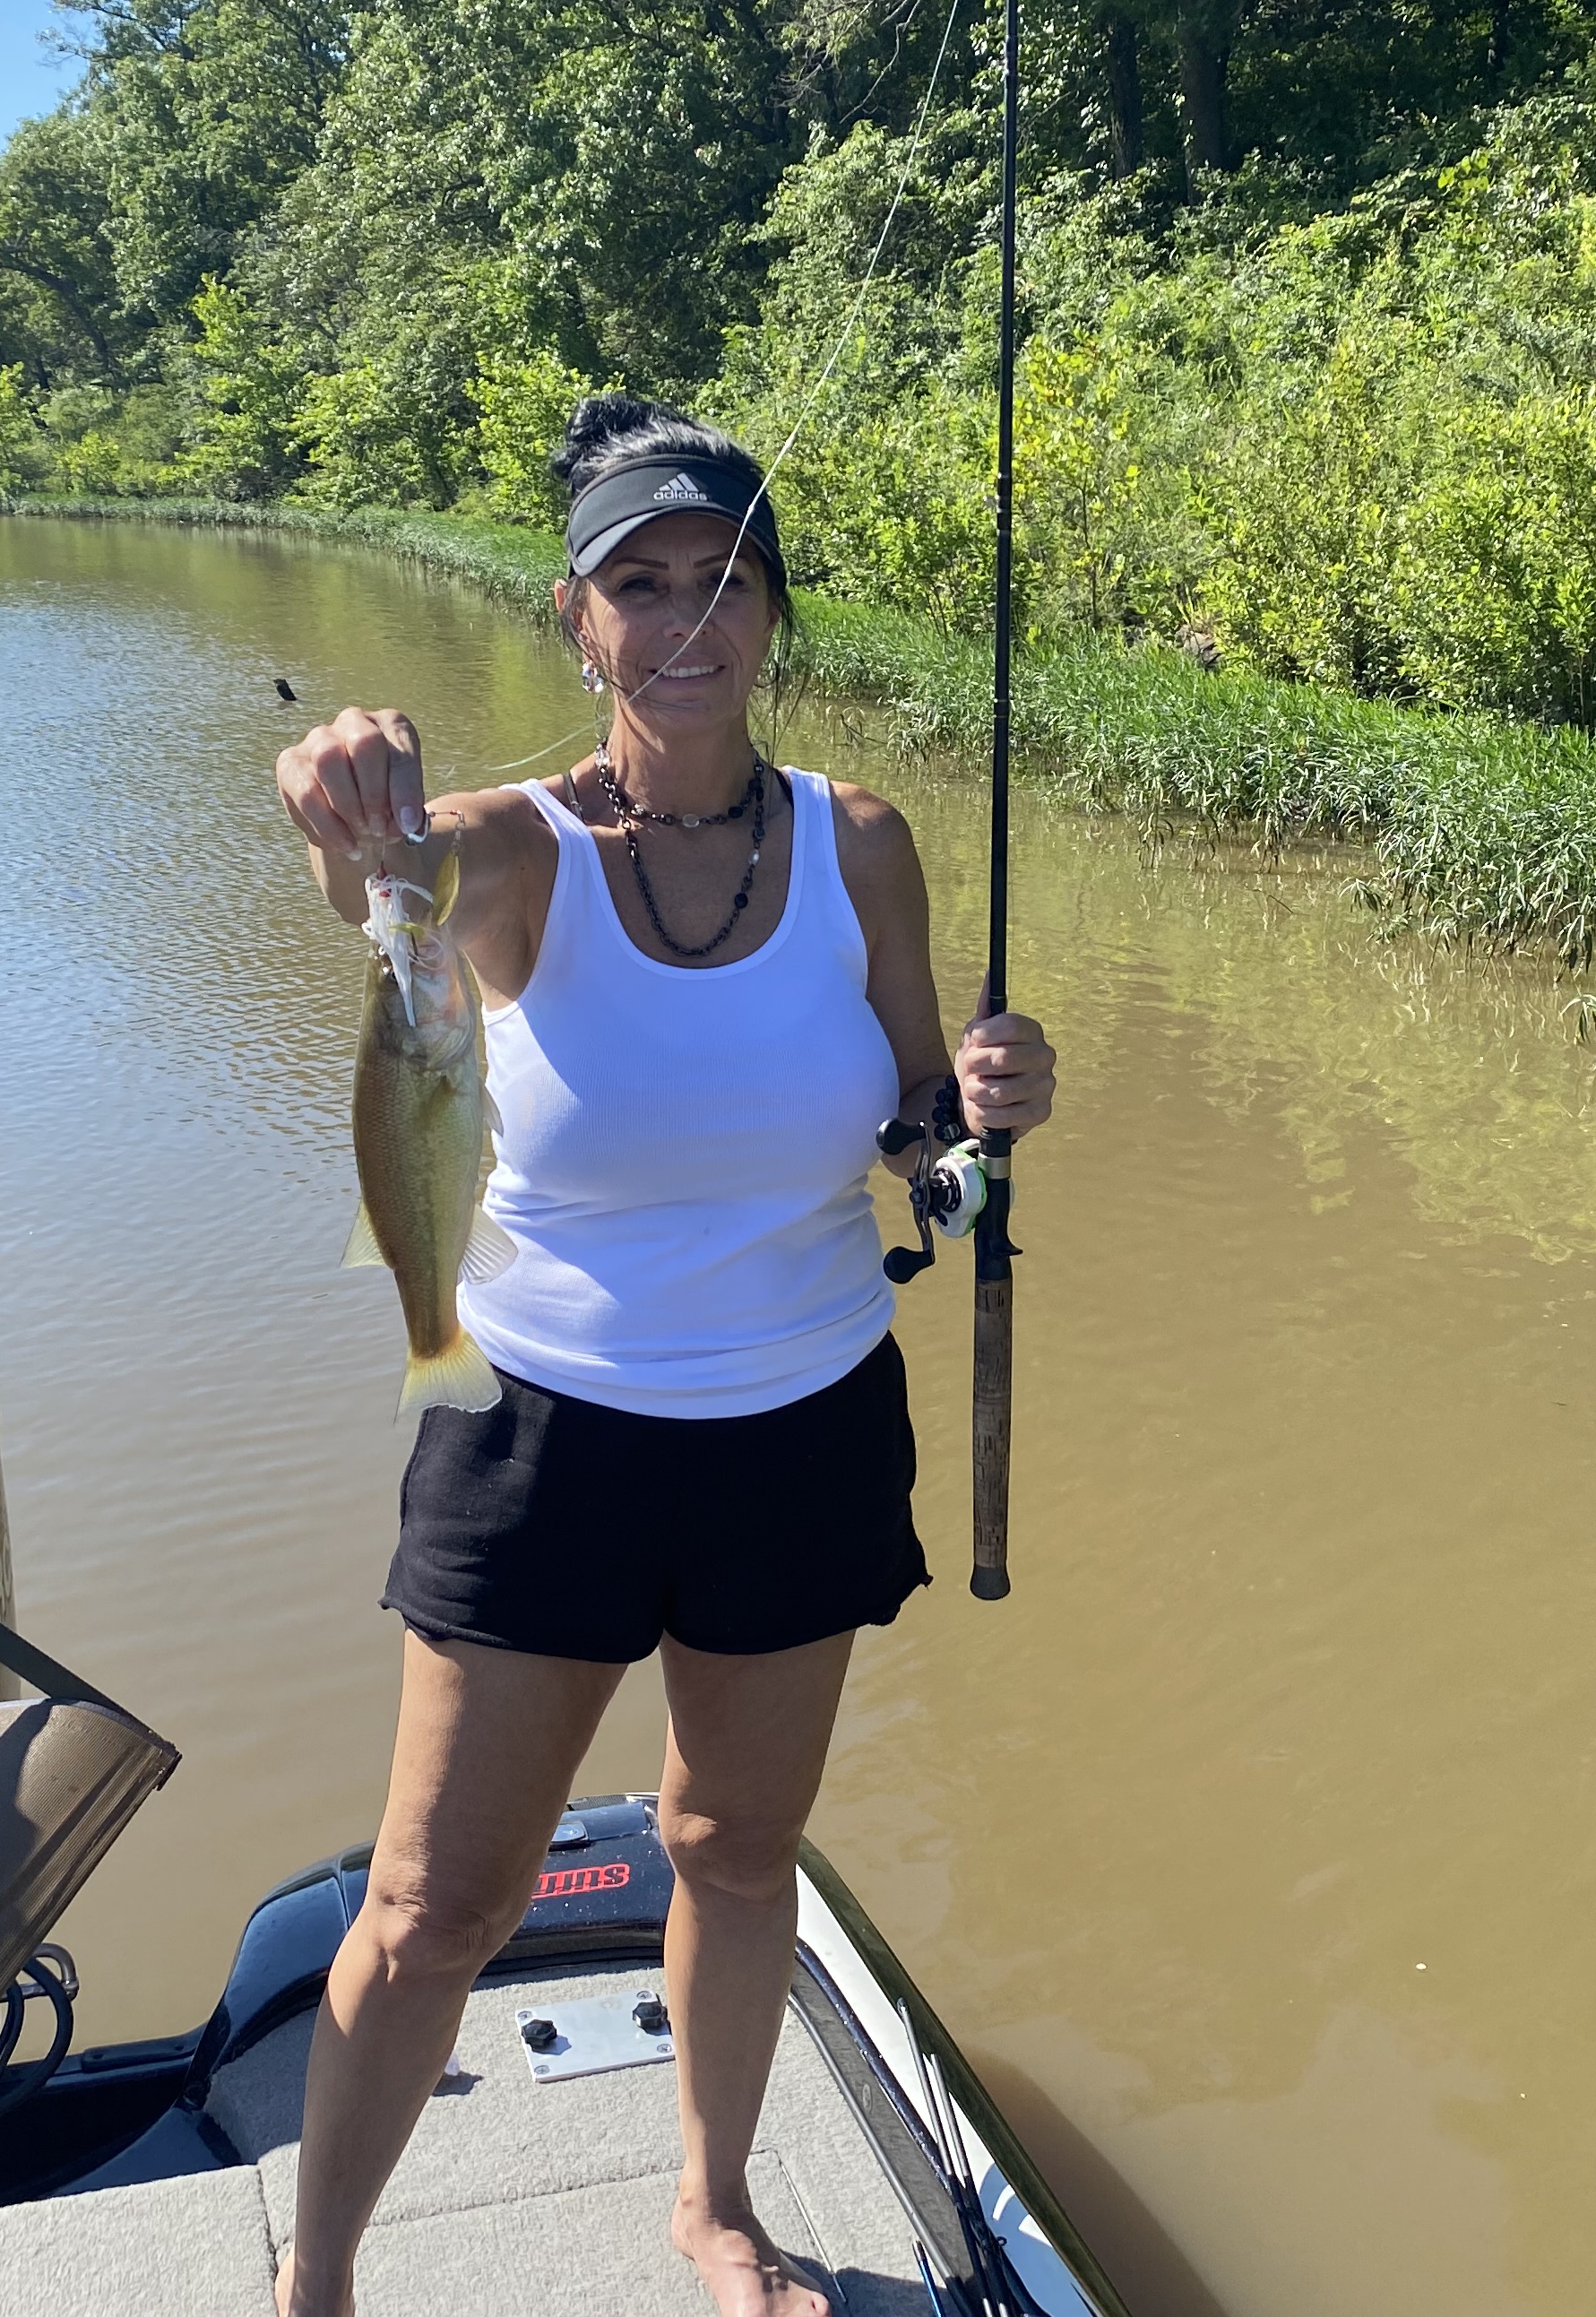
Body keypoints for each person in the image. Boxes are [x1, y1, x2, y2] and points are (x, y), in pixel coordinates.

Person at [270, 393, 1059, 2317]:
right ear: (577, 621)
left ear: (773, 613)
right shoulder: (512, 854)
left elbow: (913, 1133)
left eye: (725, 579)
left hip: (802, 1428)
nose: (687, 620)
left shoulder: (862, 845)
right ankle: (320, 2288)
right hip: (536, 1432)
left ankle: (715, 2212)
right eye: (642, 584)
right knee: (434, 1905)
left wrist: (976, 1123)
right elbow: (388, 892)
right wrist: (349, 810)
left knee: (735, 1842)